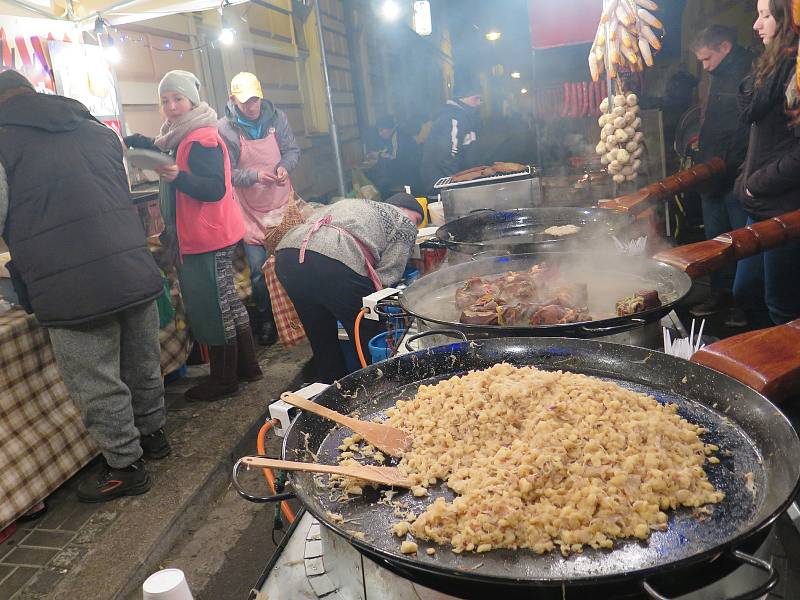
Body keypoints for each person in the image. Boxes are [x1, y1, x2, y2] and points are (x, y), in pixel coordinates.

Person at [0, 70, 169, 503]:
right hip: (131, 265)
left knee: (97, 380)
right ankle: (154, 438)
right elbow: (121, 189)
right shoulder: (96, 128)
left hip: (71, 284)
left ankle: (125, 467)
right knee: (141, 362)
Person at [125, 70, 262, 400]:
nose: (171, 106)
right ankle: (247, 367)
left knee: (213, 307)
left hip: (206, 238)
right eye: (165, 101)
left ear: (192, 101)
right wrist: (136, 142)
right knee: (228, 300)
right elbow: (163, 147)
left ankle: (224, 379)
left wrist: (176, 176)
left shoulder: (202, 139)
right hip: (207, 234)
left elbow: (213, 188)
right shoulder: (179, 135)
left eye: (178, 99)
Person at [274, 194, 424, 383]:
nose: (416, 228)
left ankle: (333, 392)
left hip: (287, 254)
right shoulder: (403, 222)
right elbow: (388, 274)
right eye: (417, 219)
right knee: (368, 330)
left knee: (320, 335)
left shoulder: (356, 205)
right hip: (332, 258)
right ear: (402, 209)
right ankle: (380, 387)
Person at [217, 72, 300, 347]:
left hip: (281, 202)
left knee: (292, 260)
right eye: (245, 102)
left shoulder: (277, 118)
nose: (251, 106)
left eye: (255, 100)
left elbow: (292, 151)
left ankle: (298, 316)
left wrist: (284, 167)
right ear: (233, 100)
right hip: (250, 211)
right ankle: (267, 321)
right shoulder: (226, 129)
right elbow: (227, 173)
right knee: (258, 270)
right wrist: (254, 176)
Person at [734, 0, 800, 326]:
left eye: (765, 16)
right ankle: (764, 364)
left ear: (787, 20)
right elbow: (763, 136)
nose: (756, 25)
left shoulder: (795, 74)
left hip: (786, 206)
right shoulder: (771, 70)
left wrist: (755, 182)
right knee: (746, 290)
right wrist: (746, 179)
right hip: (760, 203)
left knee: (782, 306)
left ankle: (783, 373)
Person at [689, 26, 753, 325]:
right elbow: (708, 120)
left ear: (725, 47)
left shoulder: (750, 72)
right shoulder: (710, 77)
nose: (704, 66)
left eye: (707, 58)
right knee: (714, 242)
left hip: (735, 175)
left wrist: (730, 164)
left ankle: (744, 303)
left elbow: (745, 128)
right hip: (710, 176)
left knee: (740, 242)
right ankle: (720, 294)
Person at [419, 80, 482, 194]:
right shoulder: (453, 117)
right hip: (442, 186)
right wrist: (455, 187)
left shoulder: (462, 116)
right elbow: (447, 156)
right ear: (463, 97)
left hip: (449, 184)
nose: (478, 103)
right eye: (476, 98)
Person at [367, 115, 421, 197]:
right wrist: (378, 153)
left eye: (381, 130)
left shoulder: (399, 136)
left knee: (381, 181)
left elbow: (394, 156)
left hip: (409, 175)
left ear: (389, 128)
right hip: (406, 171)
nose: (380, 134)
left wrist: (379, 155)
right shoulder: (394, 135)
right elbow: (388, 150)